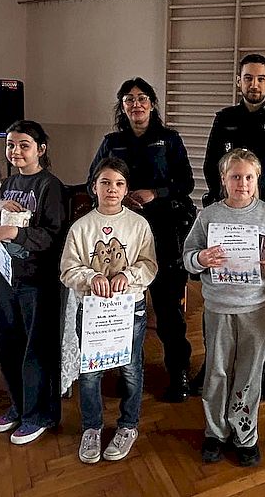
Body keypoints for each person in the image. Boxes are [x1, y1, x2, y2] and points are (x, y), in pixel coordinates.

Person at [184, 148, 265, 467]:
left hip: (256, 308)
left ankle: (245, 432)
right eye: (235, 177)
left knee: (249, 371)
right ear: (223, 179)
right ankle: (215, 432)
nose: (242, 183)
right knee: (217, 370)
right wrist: (201, 258)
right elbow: (188, 257)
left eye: (248, 177)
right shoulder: (208, 216)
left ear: (257, 179)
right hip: (218, 306)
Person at [201, 53, 265, 402]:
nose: (254, 84)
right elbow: (211, 166)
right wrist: (230, 205)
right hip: (228, 219)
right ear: (239, 81)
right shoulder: (225, 119)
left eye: (260, 78)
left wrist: (261, 209)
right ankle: (214, 364)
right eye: (248, 78)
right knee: (222, 288)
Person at [89, 78, 196, 403]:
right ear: (122, 106)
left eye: (142, 98)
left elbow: (186, 183)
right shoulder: (111, 142)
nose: (136, 104)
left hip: (163, 233)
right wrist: (118, 196)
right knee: (123, 310)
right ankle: (127, 374)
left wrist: (155, 193)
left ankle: (178, 373)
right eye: (129, 99)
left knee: (168, 311)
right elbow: (93, 180)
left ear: (152, 103)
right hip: (121, 237)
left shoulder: (169, 139)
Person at [63, 157, 157, 464]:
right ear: (94, 187)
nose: (112, 189)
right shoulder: (81, 227)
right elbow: (68, 270)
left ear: (127, 189)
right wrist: (91, 278)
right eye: (105, 182)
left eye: (119, 183)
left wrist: (127, 276)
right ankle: (91, 427)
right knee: (91, 372)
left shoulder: (138, 225)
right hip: (92, 311)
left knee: (131, 368)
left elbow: (149, 265)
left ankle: (128, 425)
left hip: (130, 308)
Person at [0, 121, 67, 445]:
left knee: (37, 349)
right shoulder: (7, 184)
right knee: (7, 345)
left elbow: (54, 236)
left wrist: (16, 233)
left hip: (37, 279)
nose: (16, 151)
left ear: (40, 149)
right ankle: (19, 406)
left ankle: (40, 414)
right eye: (10, 145)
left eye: (24, 145)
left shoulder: (51, 186)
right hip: (6, 277)